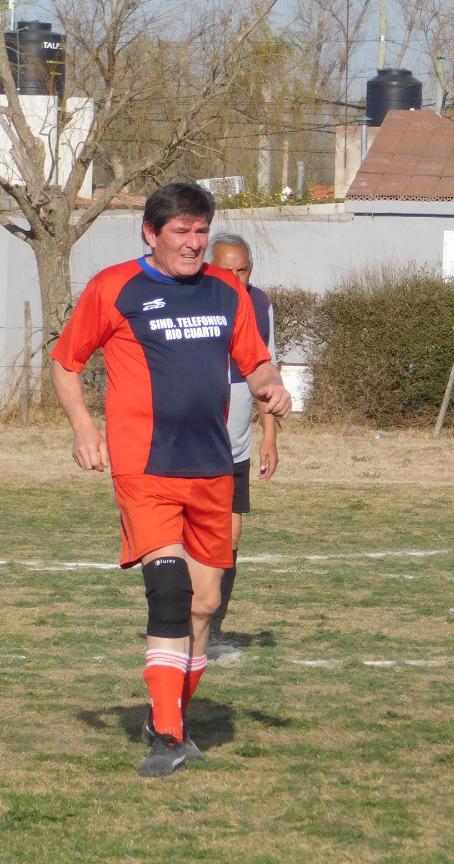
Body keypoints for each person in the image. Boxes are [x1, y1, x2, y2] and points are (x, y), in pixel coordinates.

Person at [50, 183, 292, 778]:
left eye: (200, 230)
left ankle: (171, 717)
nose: (193, 242)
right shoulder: (115, 287)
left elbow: (254, 360)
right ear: (150, 234)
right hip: (145, 468)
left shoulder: (226, 290)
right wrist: (84, 426)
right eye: (181, 231)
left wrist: (272, 386)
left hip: (212, 467)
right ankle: (166, 736)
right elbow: (65, 361)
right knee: (170, 590)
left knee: (206, 605)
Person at [208, 233, 279, 640]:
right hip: (194, 446)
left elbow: (267, 374)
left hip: (237, 447)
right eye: (227, 269)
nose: (236, 277)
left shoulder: (261, 304)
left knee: (232, 534)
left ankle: (213, 621)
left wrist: (269, 436)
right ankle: (184, 614)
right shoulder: (195, 301)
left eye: (243, 269)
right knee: (190, 535)